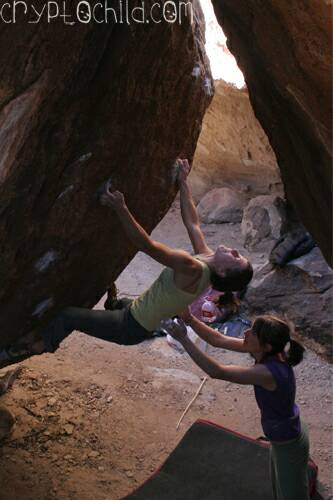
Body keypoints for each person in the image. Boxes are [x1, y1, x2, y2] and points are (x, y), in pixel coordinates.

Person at [0, 159, 253, 366]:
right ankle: (113, 303)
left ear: (223, 270)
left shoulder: (193, 268)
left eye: (236, 258)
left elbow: (147, 246)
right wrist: (183, 182)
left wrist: (119, 207)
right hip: (135, 313)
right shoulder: (206, 258)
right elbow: (193, 223)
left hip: (130, 327)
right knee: (116, 303)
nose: (233, 250)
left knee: (67, 316)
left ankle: (37, 345)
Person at [162, 312, 309, 500]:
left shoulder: (266, 372)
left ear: (266, 346)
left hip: (288, 443)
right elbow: (218, 339)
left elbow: (217, 371)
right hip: (286, 430)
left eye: (253, 332)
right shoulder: (270, 351)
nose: (246, 332)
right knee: (279, 487)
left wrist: (184, 339)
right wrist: (190, 318)